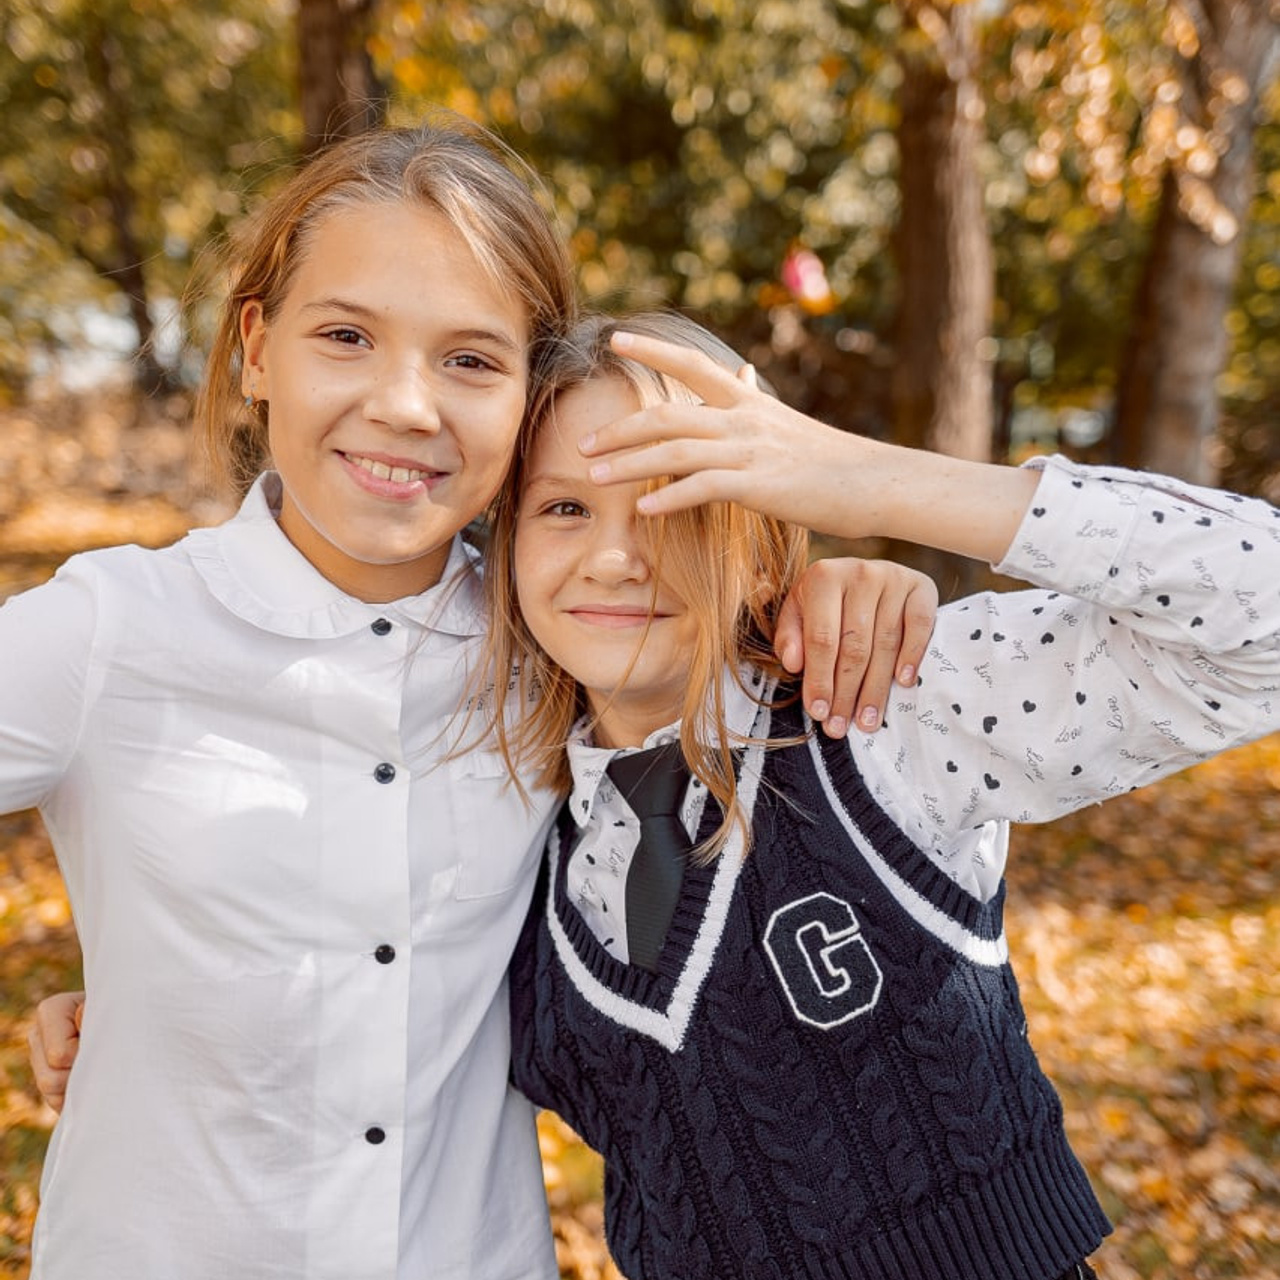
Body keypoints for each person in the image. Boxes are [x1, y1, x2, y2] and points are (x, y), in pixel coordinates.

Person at [9, 123, 938, 1279]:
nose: (405, 405)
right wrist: (147, 995)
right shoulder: (111, 630)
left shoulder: (560, 640)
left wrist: (845, 580)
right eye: (344, 336)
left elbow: (725, 683)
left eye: (469, 359)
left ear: (528, 399)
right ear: (256, 347)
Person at [479, 312, 1276, 1280]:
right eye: (563, 508)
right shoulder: (505, 820)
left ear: (766, 549)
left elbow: (1257, 621)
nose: (615, 557)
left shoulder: (877, 705)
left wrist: (869, 481)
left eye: (678, 504)